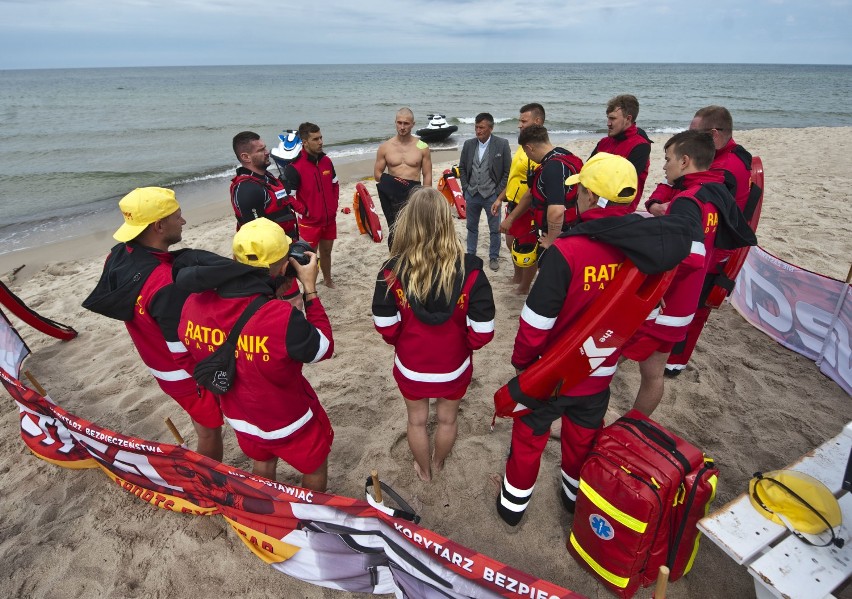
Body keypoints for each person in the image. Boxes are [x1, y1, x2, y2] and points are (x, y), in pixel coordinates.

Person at [496, 153, 695, 526]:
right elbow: (645, 320)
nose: (578, 198)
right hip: (598, 376)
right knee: (582, 440)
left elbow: (535, 323)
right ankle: (573, 498)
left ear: (589, 197)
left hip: (550, 374)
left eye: (581, 191)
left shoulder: (567, 252)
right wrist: (614, 356)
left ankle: (512, 507)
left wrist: (524, 364)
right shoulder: (649, 254)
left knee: (528, 439)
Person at [175, 218, 334, 491]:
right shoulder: (280, 317)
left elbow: (186, 347)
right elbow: (323, 348)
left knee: (262, 461)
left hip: (241, 416)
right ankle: (310, 515)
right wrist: (310, 289)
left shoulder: (193, 302)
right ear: (286, 267)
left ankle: (265, 504)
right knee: (315, 466)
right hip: (289, 419)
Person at [82, 187, 224, 461]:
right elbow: (183, 348)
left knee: (200, 420)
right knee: (209, 430)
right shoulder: (165, 283)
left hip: (155, 360)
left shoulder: (118, 254)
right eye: (178, 216)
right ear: (159, 225)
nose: (183, 221)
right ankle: (208, 481)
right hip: (183, 373)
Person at [622, 130, 756, 416]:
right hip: (688, 300)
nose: (664, 165)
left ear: (684, 161)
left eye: (667, 159)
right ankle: (633, 425)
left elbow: (689, 257)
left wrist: (654, 288)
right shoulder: (717, 190)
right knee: (654, 372)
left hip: (666, 300)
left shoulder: (687, 201)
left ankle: (583, 419)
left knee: (609, 357)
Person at [372, 188, 495, 482]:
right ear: (446, 222)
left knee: (416, 421)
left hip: (412, 365)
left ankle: (424, 471)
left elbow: (386, 327)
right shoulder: (472, 271)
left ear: (408, 222)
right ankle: (438, 463)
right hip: (453, 366)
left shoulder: (391, 271)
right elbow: (483, 332)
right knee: (447, 419)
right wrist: (463, 345)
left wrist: (402, 340)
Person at [646, 106, 758, 376]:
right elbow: (669, 184)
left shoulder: (726, 169)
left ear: (714, 134)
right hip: (703, 244)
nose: (688, 136)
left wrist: (667, 204)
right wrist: (653, 203)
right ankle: (664, 360)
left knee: (691, 309)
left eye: (694, 133)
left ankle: (672, 364)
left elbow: (697, 204)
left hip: (711, 251)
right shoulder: (704, 162)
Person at [491, 103, 545, 295]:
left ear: (537, 121)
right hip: (512, 202)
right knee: (510, 242)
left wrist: (513, 216)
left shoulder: (536, 151)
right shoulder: (524, 146)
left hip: (525, 208)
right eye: (519, 121)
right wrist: (499, 198)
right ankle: (517, 276)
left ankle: (524, 286)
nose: (519, 125)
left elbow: (532, 189)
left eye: (524, 121)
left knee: (526, 248)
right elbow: (515, 178)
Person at [500, 125, 583, 251]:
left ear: (529, 148)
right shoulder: (563, 154)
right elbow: (531, 193)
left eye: (526, 152)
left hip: (560, 237)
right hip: (571, 228)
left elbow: (557, 211)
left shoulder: (552, 168)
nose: (528, 156)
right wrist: (511, 218)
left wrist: (551, 240)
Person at [284, 122, 340, 289]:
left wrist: (333, 205)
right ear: (305, 142)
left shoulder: (327, 161)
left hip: (329, 219)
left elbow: (335, 184)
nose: (321, 142)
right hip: (309, 223)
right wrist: (306, 211)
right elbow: (288, 197)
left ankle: (328, 280)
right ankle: (311, 288)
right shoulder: (294, 167)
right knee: (309, 258)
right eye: (316, 139)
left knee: (327, 252)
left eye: (321, 137)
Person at [458, 112, 511, 271]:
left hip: (491, 196)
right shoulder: (468, 144)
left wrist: (498, 193)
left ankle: (493, 257)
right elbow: (462, 167)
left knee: (495, 228)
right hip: (472, 194)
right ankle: (471, 255)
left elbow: (508, 172)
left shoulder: (502, 144)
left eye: (481, 127)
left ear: (491, 128)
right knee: (471, 227)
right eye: (476, 127)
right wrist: (466, 188)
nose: (478, 130)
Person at [374, 107, 433, 246]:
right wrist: (394, 183)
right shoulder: (385, 147)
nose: (402, 127)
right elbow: (377, 174)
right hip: (392, 196)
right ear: (395, 122)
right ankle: (395, 262)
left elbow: (427, 174)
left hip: (414, 194)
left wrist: (427, 197)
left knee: (416, 233)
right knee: (395, 231)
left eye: (406, 123)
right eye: (399, 123)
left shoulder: (422, 146)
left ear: (413, 124)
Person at [230, 131, 304, 239]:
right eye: (261, 150)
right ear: (246, 157)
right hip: (274, 251)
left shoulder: (267, 177)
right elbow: (257, 235)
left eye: (265, 148)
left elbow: (285, 199)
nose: (267, 152)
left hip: (288, 240)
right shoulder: (248, 190)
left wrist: (305, 211)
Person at [588, 94, 652, 214]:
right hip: (593, 203)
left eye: (612, 119)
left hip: (619, 210)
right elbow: (586, 172)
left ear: (628, 119)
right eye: (608, 118)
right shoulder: (604, 142)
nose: (608, 123)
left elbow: (621, 184)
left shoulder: (640, 146)